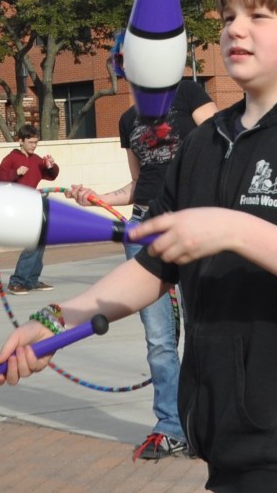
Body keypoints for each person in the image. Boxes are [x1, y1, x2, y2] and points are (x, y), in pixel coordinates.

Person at [0, 0, 277, 493]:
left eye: (259, 15)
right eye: (228, 16)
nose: (236, 28)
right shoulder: (205, 143)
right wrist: (54, 321)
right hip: (227, 435)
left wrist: (235, 228)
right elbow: (152, 264)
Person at [68, 77, 216, 460]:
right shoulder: (127, 118)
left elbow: (224, 144)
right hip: (143, 227)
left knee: (211, 329)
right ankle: (170, 427)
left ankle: (215, 426)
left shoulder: (188, 94)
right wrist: (97, 198)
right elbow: (138, 184)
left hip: (194, 224)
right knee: (159, 340)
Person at [0, 123, 58, 294]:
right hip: (20, 204)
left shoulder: (36, 159)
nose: (34, 145)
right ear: (21, 141)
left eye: (36, 142)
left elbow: (51, 176)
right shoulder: (12, 158)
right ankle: (17, 281)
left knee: (39, 243)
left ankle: (31, 280)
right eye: (31, 142)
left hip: (35, 204)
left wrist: (51, 165)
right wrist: (16, 173)